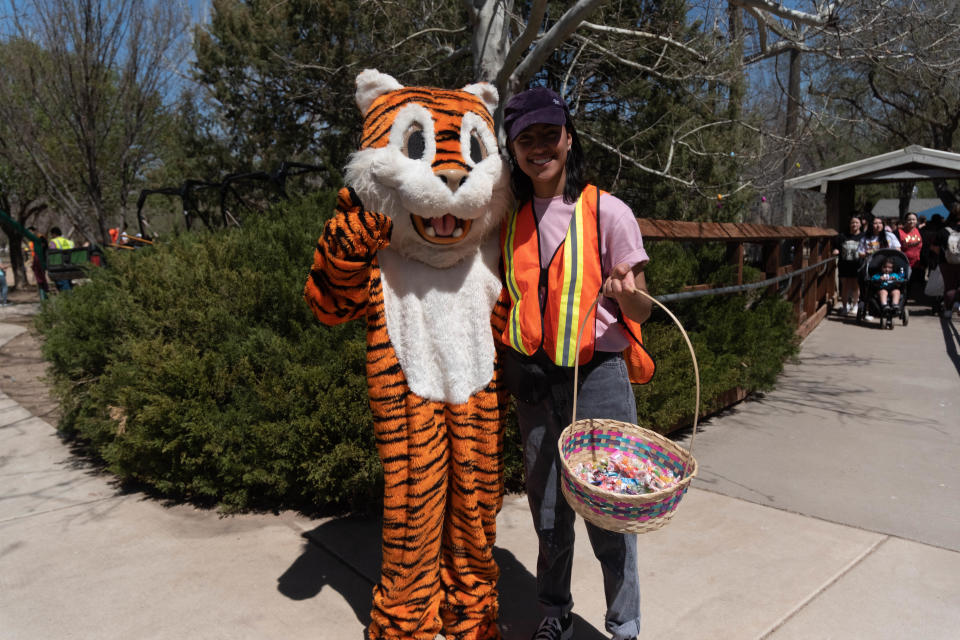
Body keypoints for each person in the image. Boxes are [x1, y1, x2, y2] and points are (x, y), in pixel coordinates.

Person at [498, 86, 656, 640]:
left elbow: (642, 309)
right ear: (514, 149)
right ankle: (553, 612)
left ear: (568, 138)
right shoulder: (509, 220)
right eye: (526, 139)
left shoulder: (607, 211)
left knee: (610, 511)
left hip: (598, 381)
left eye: (549, 135)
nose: (539, 148)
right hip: (535, 381)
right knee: (547, 510)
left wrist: (625, 290)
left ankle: (624, 624)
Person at [833, 216, 863, 314]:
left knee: (855, 286)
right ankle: (845, 306)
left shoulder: (863, 236)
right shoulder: (842, 236)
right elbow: (835, 247)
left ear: (860, 224)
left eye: (857, 222)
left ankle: (855, 305)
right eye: (852, 223)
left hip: (857, 265)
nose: (854, 224)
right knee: (845, 286)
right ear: (849, 224)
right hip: (844, 264)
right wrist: (835, 250)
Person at [936, 205, 960, 319]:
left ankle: (948, 310)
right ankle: (957, 304)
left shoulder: (943, 230)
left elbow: (934, 247)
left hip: (946, 262)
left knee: (949, 286)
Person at [896, 212, 924, 300]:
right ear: (905, 221)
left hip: (917, 263)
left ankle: (909, 298)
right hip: (903, 263)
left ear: (917, 221)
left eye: (914, 219)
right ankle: (902, 299)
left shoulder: (919, 231)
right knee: (903, 283)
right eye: (909, 219)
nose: (911, 221)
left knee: (914, 283)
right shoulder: (898, 232)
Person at [48, 226, 75, 291]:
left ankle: (68, 297)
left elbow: (53, 256)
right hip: (70, 266)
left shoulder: (53, 242)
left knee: (63, 284)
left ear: (54, 234)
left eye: (51, 235)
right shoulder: (69, 241)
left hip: (60, 267)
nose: (51, 236)